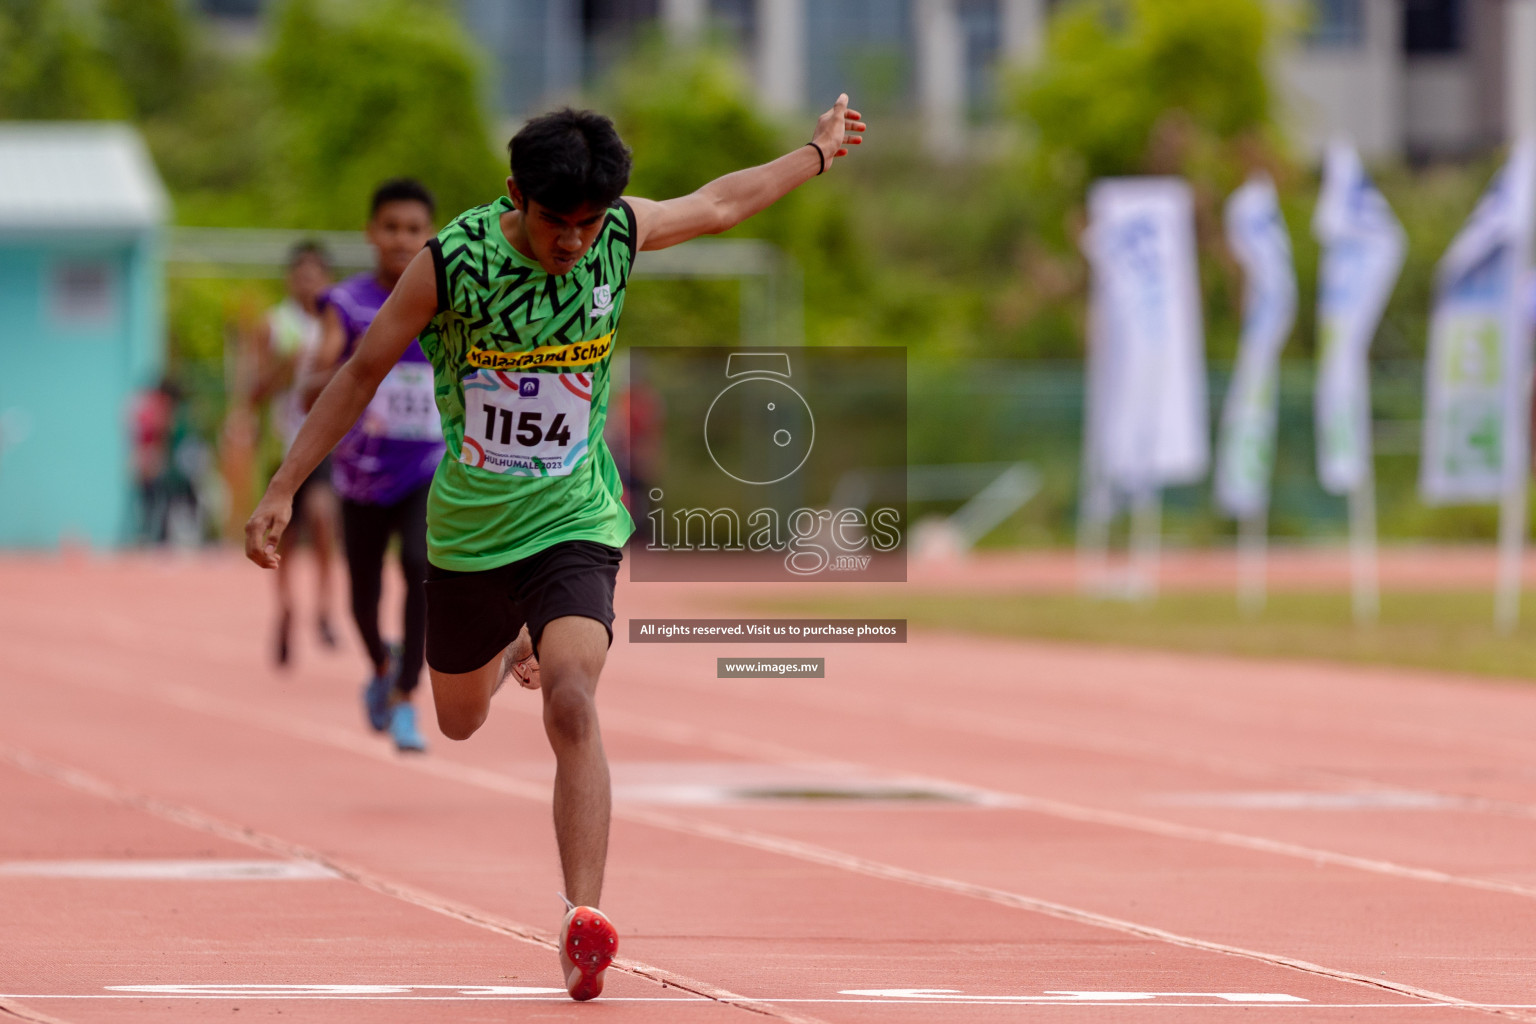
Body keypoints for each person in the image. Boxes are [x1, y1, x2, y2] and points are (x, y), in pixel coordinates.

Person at [246, 97, 865, 1000]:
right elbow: (362, 370)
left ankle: (583, 921)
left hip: (576, 517)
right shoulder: (452, 263)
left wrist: (814, 153)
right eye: (554, 223)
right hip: (468, 530)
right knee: (458, 717)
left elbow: (722, 203)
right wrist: (283, 485)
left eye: (586, 224)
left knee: (574, 697)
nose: (573, 243)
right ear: (515, 196)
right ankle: (504, 644)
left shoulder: (615, 233)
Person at [300, 180, 444, 752]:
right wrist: (343, 371)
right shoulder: (349, 304)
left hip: (427, 465)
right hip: (361, 473)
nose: (401, 239)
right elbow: (313, 382)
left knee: (419, 565)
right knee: (362, 597)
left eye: (413, 229)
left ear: (430, 234)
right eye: (390, 227)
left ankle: (408, 698)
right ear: (370, 233)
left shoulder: (445, 300)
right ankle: (383, 665)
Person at [250, 241, 339, 666]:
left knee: (323, 519)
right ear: (290, 279)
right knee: (282, 536)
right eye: (300, 275)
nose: (308, 283)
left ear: (328, 280)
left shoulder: (337, 324)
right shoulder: (275, 325)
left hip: (324, 443)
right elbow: (252, 392)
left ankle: (324, 605)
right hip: (282, 445)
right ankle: (286, 608)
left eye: (316, 275)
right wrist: (283, 369)